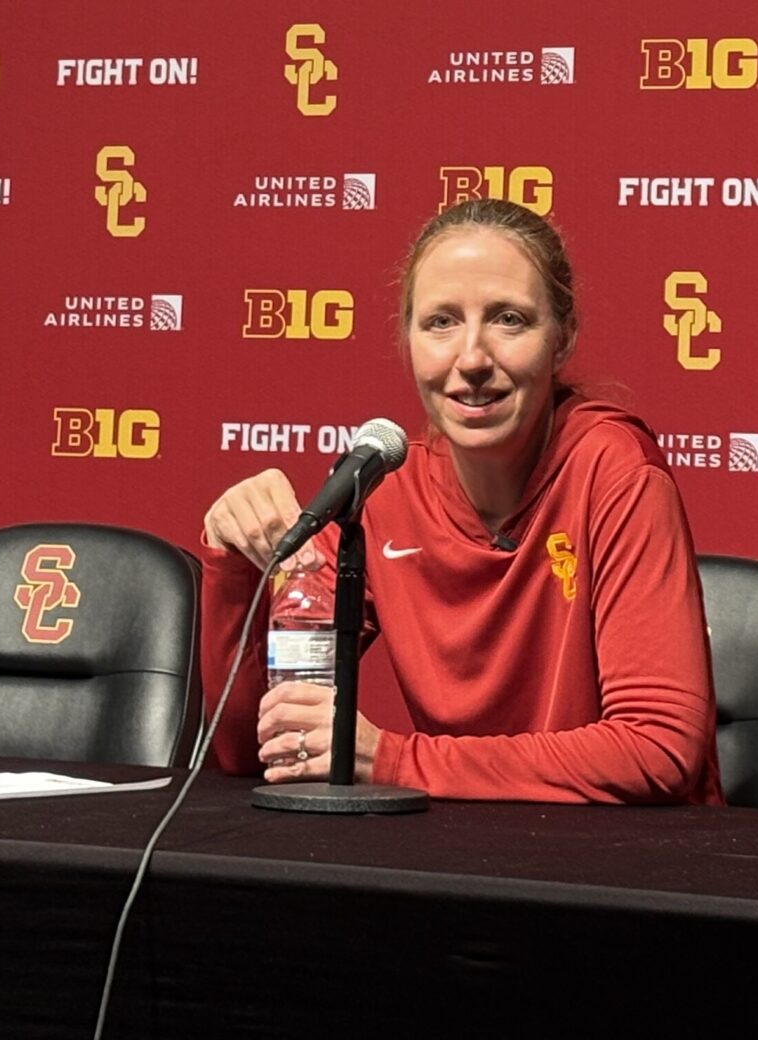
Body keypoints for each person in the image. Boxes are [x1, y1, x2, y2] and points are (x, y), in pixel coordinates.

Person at [198, 197, 722, 803]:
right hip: (461, 862)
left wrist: (393, 759)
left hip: (622, 871)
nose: (471, 359)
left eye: (509, 320)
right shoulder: (382, 489)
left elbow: (657, 749)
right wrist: (233, 569)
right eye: (441, 322)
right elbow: (251, 749)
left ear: (563, 337)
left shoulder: (614, 471)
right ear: (407, 339)